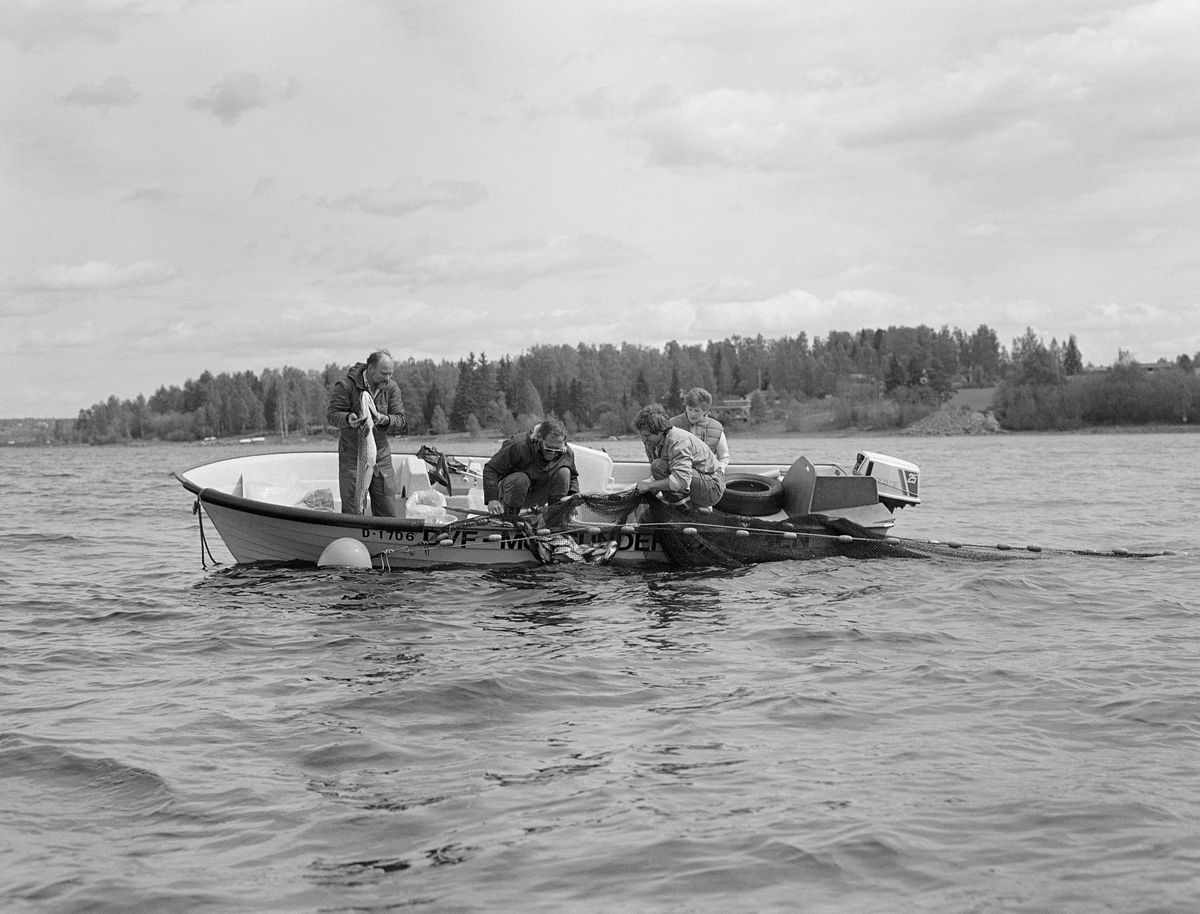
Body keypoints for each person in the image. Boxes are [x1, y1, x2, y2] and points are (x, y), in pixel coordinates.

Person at [327, 349, 406, 516]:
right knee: (354, 510)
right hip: (352, 458)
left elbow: (400, 419)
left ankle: (384, 540)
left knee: (387, 510)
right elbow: (332, 415)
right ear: (370, 368)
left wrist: (383, 419)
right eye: (384, 373)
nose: (388, 378)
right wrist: (348, 418)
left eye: (390, 373)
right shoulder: (346, 386)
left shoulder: (391, 388)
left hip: (381, 457)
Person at [634, 403, 726, 510]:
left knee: (659, 465)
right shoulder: (651, 444)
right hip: (692, 479)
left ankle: (685, 508)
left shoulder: (679, 441)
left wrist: (649, 486)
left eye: (646, 436)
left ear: (660, 431)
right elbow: (659, 475)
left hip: (712, 487)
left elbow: (681, 481)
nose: (644, 440)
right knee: (657, 466)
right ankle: (680, 503)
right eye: (641, 436)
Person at [483, 418, 580, 515]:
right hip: (512, 493)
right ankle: (510, 516)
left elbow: (573, 477)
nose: (553, 453)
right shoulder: (518, 445)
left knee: (564, 473)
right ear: (539, 438)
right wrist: (492, 499)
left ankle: (555, 517)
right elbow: (491, 469)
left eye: (557, 450)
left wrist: (573, 495)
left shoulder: (567, 452)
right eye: (548, 449)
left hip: (541, 495)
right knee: (521, 479)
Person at [670, 387, 730, 474]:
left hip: (705, 476)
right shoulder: (672, 425)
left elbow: (724, 457)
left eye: (697, 411)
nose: (692, 414)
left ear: (705, 411)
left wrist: (720, 471)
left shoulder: (717, 428)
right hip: (677, 473)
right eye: (690, 409)